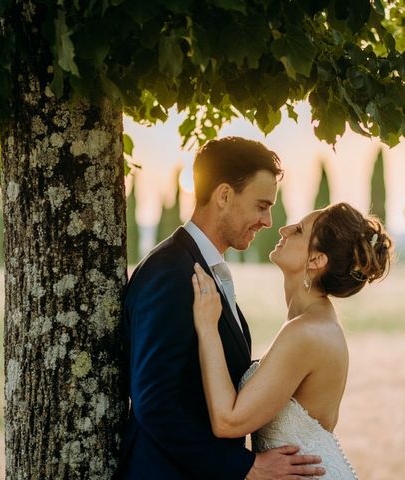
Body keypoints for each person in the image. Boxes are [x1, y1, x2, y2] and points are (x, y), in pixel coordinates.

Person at [114, 137, 325, 479]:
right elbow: (155, 402)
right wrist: (245, 467)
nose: (269, 221)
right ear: (224, 196)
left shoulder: (199, 266)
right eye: (260, 206)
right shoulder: (169, 272)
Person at [192, 202, 394, 479]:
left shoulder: (306, 333)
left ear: (315, 260)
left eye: (299, 230)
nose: (284, 229)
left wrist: (207, 327)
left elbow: (228, 421)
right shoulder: (315, 323)